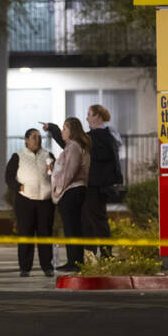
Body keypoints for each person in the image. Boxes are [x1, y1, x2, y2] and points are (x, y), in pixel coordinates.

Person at [45, 107, 121, 259]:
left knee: (96, 220)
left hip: (96, 186)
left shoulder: (100, 136)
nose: (86, 118)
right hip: (94, 185)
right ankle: (91, 255)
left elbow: (77, 145)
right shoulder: (101, 136)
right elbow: (74, 143)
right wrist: (54, 129)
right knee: (88, 221)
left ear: (98, 116)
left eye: (89, 115)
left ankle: (105, 255)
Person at [5, 128, 54, 277]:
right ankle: (25, 267)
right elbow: (9, 177)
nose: (37, 139)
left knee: (45, 235)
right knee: (26, 233)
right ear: (26, 140)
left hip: (45, 201)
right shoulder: (18, 156)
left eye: (39, 137)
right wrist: (18, 187)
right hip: (25, 200)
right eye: (33, 137)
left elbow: (54, 173)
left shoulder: (48, 155)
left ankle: (47, 267)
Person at [49, 117, 90, 272]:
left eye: (64, 129)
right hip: (75, 190)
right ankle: (75, 260)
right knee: (74, 227)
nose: (62, 132)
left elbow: (70, 172)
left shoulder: (73, 146)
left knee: (71, 228)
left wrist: (59, 189)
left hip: (71, 191)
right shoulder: (76, 146)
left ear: (72, 131)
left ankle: (74, 261)